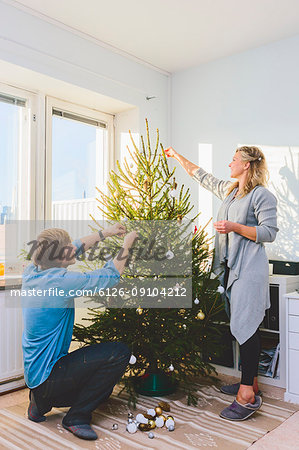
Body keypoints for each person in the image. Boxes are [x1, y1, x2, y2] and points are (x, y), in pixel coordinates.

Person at [164, 145, 278, 421]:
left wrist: (234, 227)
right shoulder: (231, 191)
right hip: (230, 270)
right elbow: (202, 176)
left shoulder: (261, 195)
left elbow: (269, 232)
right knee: (239, 327)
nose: (230, 164)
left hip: (249, 271)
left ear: (247, 165)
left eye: (234, 160)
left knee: (247, 327)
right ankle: (249, 382)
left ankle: (247, 395)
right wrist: (178, 157)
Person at [22, 224, 138, 440]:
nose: (73, 248)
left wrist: (106, 233)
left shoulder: (32, 272)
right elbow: (110, 276)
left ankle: (39, 402)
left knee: (98, 387)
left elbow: (76, 246)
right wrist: (127, 245)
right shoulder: (62, 282)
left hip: (37, 378)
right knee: (119, 352)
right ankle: (76, 417)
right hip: (51, 378)